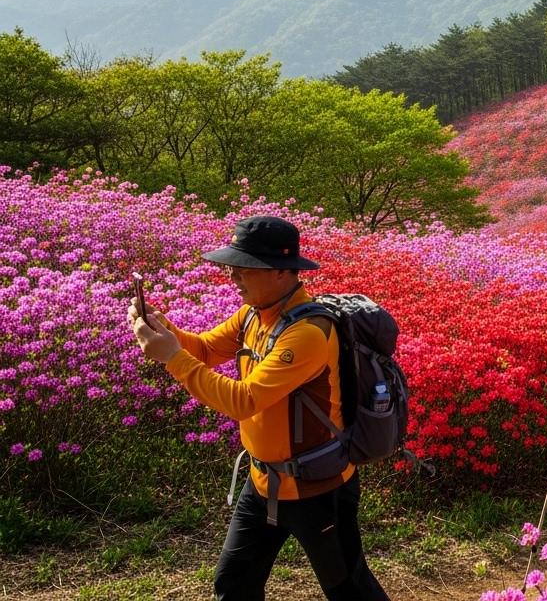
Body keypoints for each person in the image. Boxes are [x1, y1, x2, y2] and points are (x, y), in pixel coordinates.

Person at [127, 216, 387, 600]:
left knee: (349, 589)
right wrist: (167, 332)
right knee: (234, 585)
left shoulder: (308, 333)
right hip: (263, 482)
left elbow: (242, 400)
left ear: (283, 272)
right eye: (232, 267)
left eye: (243, 268)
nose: (233, 276)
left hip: (318, 486)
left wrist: (172, 358)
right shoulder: (254, 314)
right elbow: (206, 349)